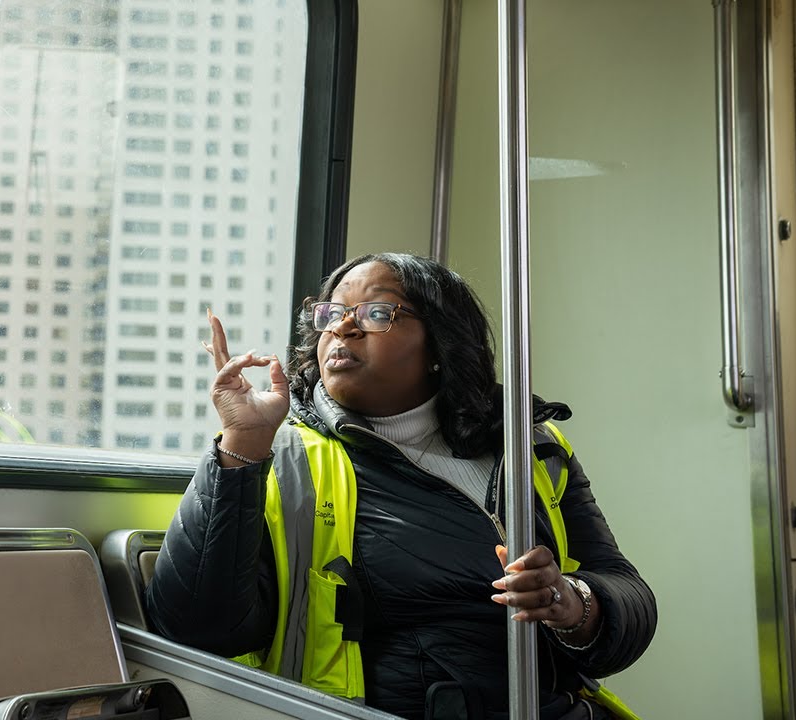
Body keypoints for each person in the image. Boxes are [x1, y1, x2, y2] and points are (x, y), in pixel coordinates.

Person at [144, 252, 656, 719]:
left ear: (440, 342)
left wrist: (573, 604)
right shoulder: (284, 455)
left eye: (376, 313)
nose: (343, 327)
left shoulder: (531, 446)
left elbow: (627, 594)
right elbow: (195, 629)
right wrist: (242, 442)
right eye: (331, 313)